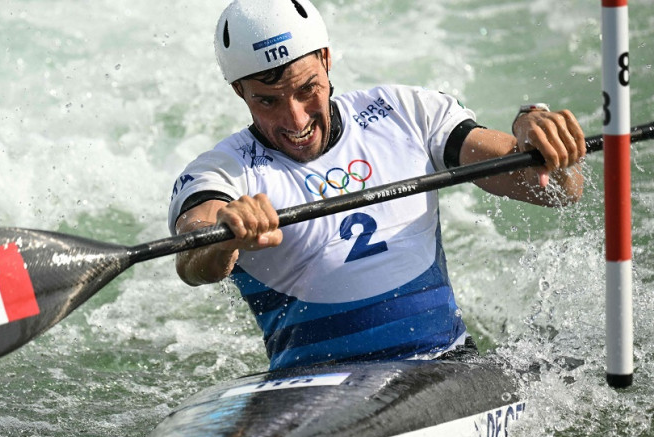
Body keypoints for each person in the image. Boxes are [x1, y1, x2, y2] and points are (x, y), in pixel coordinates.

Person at [167, 0, 585, 371]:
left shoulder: (406, 113)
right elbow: (190, 259)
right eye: (268, 100)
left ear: (327, 61)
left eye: (306, 89)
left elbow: (558, 189)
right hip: (308, 389)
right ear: (240, 91)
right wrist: (222, 237)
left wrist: (537, 137)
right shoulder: (220, 171)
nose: (296, 120)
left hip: (446, 365)